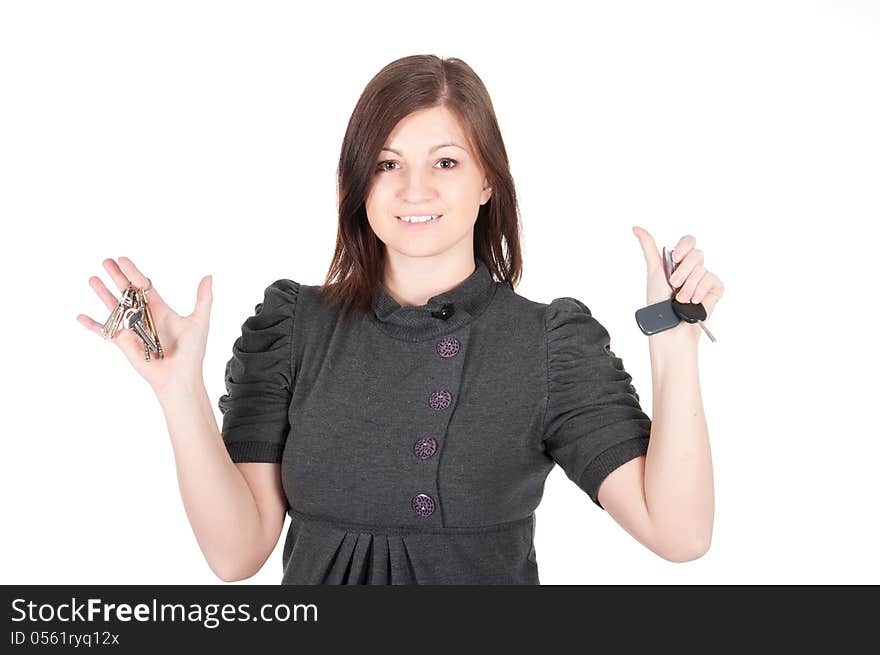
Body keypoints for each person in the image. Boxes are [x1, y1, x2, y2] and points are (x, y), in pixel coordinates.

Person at [78, 54, 721, 584]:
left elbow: (679, 533)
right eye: (388, 164)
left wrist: (675, 344)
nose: (415, 189)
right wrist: (177, 390)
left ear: (488, 182)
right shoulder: (293, 328)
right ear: (359, 184)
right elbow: (236, 553)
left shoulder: (546, 344)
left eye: (446, 161)